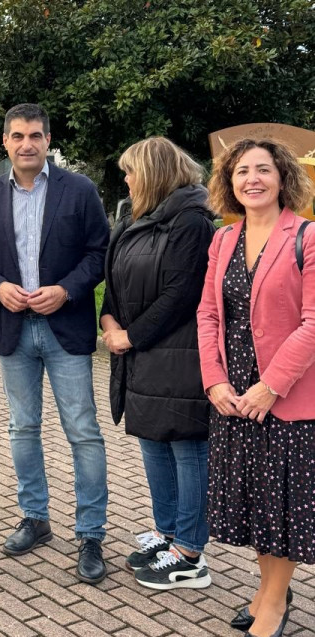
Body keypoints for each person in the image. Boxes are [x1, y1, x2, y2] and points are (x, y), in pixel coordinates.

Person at [0, 103, 110, 584]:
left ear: (49, 140)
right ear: (4, 142)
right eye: (17, 136)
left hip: (64, 326)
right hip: (13, 328)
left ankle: (90, 533)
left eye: (35, 136)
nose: (26, 143)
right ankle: (36, 518)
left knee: (82, 430)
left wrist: (67, 289)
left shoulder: (80, 190)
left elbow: (99, 253)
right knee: (22, 428)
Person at [198, 138, 315, 637]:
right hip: (234, 398)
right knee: (258, 507)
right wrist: (213, 380)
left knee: (282, 507)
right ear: (230, 183)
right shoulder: (223, 240)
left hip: (286, 400)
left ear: (282, 176)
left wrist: (271, 386)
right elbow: (206, 315)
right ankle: (269, 591)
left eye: (263, 169)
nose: (253, 179)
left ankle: (271, 607)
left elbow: (313, 322)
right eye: (241, 171)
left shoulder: (307, 237)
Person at [99, 137, 215, 589]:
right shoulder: (135, 216)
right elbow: (115, 277)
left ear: (152, 173)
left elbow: (182, 293)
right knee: (153, 443)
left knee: (186, 447)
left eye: (131, 171)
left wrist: (131, 334)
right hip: (142, 356)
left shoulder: (191, 221)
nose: (125, 179)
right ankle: (167, 535)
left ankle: (189, 553)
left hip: (179, 356)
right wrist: (108, 318)